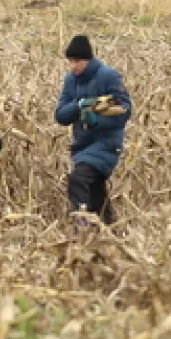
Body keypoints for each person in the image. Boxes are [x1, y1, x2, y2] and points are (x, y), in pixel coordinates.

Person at [54, 35, 132, 229]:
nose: (74, 66)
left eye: (77, 61)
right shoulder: (71, 80)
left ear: (88, 59)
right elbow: (61, 116)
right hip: (82, 146)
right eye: (70, 61)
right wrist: (79, 105)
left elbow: (125, 110)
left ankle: (82, 228)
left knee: (78, 179)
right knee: (97, 196)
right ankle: (113, 232)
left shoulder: (108, 76)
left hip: (106, 145)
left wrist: (96, 120)